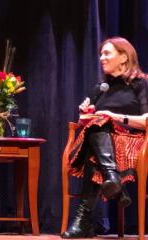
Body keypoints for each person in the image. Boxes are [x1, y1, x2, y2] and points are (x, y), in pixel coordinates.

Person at [61, 37, 148, 238]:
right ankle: (112, 179)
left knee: (96, 137)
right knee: (94, 127)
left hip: (132, 142)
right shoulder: (100, 88)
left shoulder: (141, 83)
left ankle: (84, 220)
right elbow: (87, 124)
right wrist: (85, 115)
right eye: (101, 53)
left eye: (107, 53)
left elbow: (146, 121)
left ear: (124, 57)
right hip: (103, 143)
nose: (101, 58)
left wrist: (115, 117)